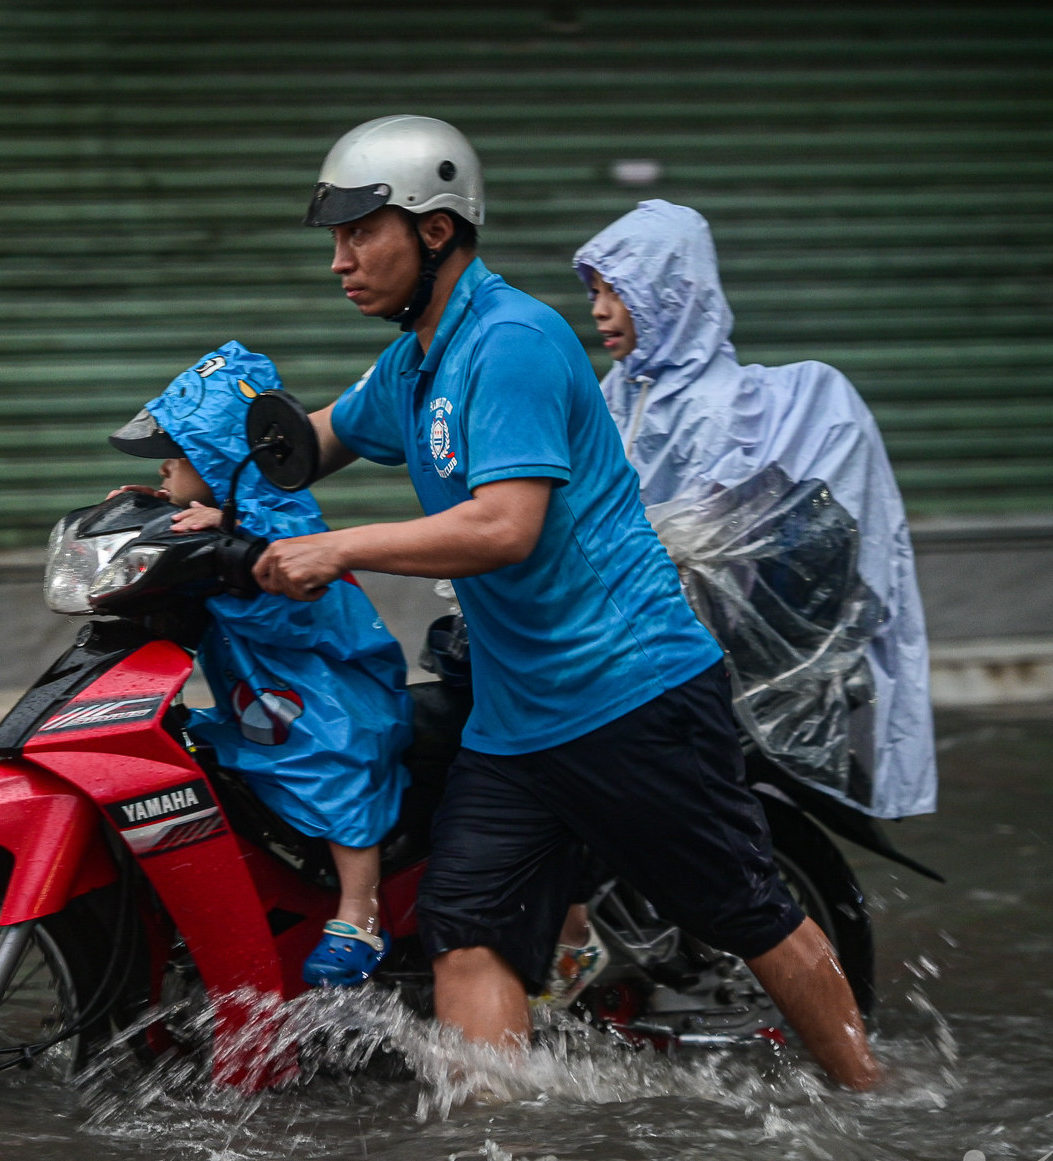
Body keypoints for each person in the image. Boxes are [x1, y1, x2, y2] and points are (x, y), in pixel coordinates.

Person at [255, 115, 882, 1089]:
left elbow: (505, 526)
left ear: (433, 231)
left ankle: (873, 1105)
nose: (339, 261)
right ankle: (491, 1139)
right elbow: (313, 440)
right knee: (467, 935)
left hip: (629, 697)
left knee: (744, 909)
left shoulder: (510, 343)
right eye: (333, 239)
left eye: (358, 232)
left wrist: (337, 547)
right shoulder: (416, 361)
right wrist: (184, 483)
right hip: (518, 729)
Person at [571, 200, 936, 821]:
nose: (600, 309)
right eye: (596, 291)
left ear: (668, 293)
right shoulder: (619, 391)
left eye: (619, 291)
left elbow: (713, 546)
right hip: (629, 639)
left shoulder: (719, 408)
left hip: (685, 658)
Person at [107, 341, 414, 987]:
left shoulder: (282, 519)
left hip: (329, 690)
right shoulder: (214, 510)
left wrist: (233, 536)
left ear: (221, 462)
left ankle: (359, 911)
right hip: (263, 694)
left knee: (341, 765)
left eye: (176, 456)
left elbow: (286, 588)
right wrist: (146, 512)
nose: (164, 467)